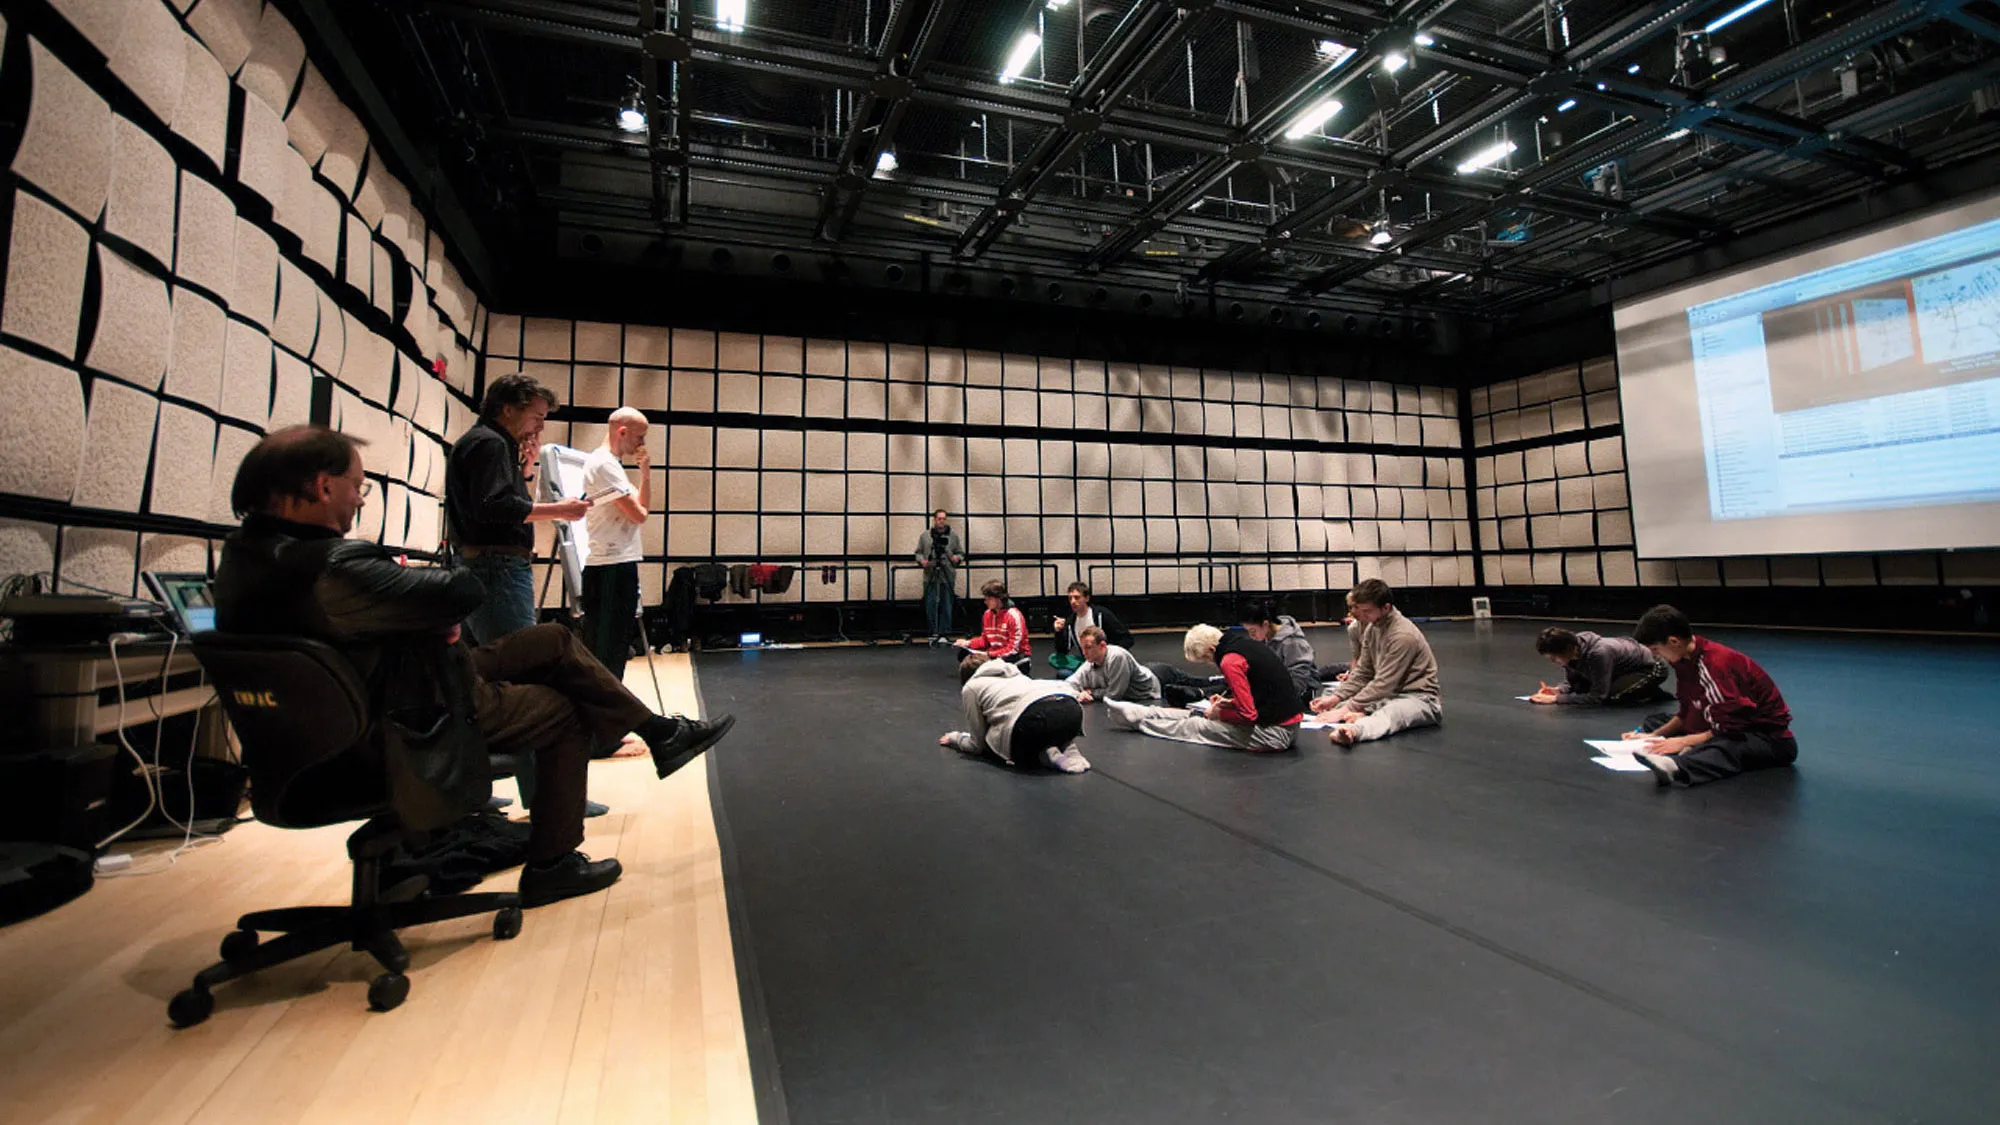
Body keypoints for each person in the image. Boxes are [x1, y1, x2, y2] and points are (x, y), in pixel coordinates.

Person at [215, 426, 737, 907]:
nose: (359, 497)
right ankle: (553, 864)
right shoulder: (330, 565)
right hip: (411, 715)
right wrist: (424, 608)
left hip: (357, 710)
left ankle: (661, 732)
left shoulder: (242, 559)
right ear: (322, 487)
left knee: (553, 640)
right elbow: (463, 589)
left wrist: (413, 612)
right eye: (358, 485)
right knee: (564, 710)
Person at [445, 372, 591, 646]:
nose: (540, 428)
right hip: (496, 570)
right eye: (537, 418)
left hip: (483, 565)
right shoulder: (491, 443)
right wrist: (560, 510)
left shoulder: (485, 441)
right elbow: (495, 507)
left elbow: (491, 502)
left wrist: (523, 473)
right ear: (508, 409)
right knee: (517, 659)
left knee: (487, 662)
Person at [1622, 605, 1797, 787]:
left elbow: (1730, 728)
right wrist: (1654, 734)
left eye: (1656, 650)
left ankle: (1678, 766)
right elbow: (1687, 711)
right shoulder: (1683, 659)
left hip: (1768, 738)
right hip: (1722, 722)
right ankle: (1691, 748)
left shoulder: (1715, 664)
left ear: (1674, 641)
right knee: (1656, 721)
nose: (1655, 656)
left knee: (1729, 747)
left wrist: (1683, 740)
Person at [1103, 624, 1302, 752]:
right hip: (1283, 725)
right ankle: (1145, 712)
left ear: (1211, 650)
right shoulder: (1243, 645)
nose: (1210, 664)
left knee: (1197, 726)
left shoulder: (1230, 661)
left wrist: (1220, 715)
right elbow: (1260, 694)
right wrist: (1229, 704)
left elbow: (1249, 716)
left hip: (1275, 734)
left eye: (1206, 659)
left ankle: (1140, 722)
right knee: (1198, 714)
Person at [1310, 579, 1441, 747]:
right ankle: (1362, 713)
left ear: (1386, 608)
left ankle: (1354, 731)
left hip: (1419, 698)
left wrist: (1345, 709)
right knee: (1335, 701)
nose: (1361, 616)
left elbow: (1385, 683)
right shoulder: (1373, 628)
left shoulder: (1403, 636)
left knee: (1391, 714)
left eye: (1367, 611)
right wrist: (1335, 698)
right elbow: (1363, 672)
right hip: (1389, 694)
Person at [579, 408, 650, 686]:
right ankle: (601, 724)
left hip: (619, 563)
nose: (641, 445)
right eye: (639, 437)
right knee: (607, 653)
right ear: (622, 432)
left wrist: (645, 474)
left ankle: (607, 722)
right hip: (610, 566)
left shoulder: (613, 465)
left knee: (616, 650)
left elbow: (643, 508)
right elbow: (639, 514)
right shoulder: (604, 465)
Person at [938, 653, 1090, 774]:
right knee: (1037, 723)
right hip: (1071, 711)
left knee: (994, 738)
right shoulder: (1014, 673)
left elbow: (977, 744)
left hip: (1034, 721)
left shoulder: (971, 686)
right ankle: (1067, 744)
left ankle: (1044, 755)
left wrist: (956, 738)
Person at [1527, 626, 1670, 706]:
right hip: (1619, 669)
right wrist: (1559, 690)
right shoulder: (1572, 650)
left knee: (1612, 697)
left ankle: (1649, 691)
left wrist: (1556, 699)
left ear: (1568, 649)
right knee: (1580, 689)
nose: (1553, 662)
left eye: (1554, 657)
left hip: (1650, 667)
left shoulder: (1598, 653)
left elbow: (1598, 697)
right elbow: (1573, 680)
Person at [1238, 598, 1320, 709]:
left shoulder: (1291, 642)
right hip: (1277, 689)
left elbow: (1298, 681)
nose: (1251, 636)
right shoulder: (1267, 637)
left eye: (1253, 631)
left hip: (1300, 695)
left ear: (1265, 624)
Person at [1048, 581, 1133, 674]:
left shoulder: (1101, 614)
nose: (1073, 601)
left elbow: (1127, 639)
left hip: (1108, 662)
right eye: (1070, 598)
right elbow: (1062, 650)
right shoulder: (1071, 622)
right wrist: (1058, 631)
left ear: (1086, 598)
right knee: (1061, 671)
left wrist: (1108, 656)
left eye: (1077, 597)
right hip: (1089, 664)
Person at [948, 578, 1031, 673]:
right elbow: (985, 640)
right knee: (964, 655)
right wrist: (967, 643)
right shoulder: (987, 614)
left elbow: (1013, 649)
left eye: (988, 599)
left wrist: (989, 654)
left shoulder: (1014, 615)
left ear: (999, 599)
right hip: (995, 654)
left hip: (1013, 656)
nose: (985, 602)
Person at [1065, 625, 1161, 705]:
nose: (1084, 652)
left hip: (1152, 686)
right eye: (1082, 648)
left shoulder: (1117, 656)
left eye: (1088, 647)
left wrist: (1092, 692)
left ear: (1102, 645)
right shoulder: (1089, 663)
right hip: (1137, 672)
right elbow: (1068, 684)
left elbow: (1114, 695)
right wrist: (1078, 695)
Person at [913, 509, 964, 641]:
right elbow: (918, 553)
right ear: (934, 519)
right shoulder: (925, 536)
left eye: (944, 519)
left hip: (947, 574)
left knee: (947, 604)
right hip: (930, 574)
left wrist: (956, 558)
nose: (941, 521)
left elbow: (960, 553)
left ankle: (945, 633)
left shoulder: (953, 536)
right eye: (939, 518)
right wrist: (922, 561)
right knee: (931, 604)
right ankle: (932, 632)